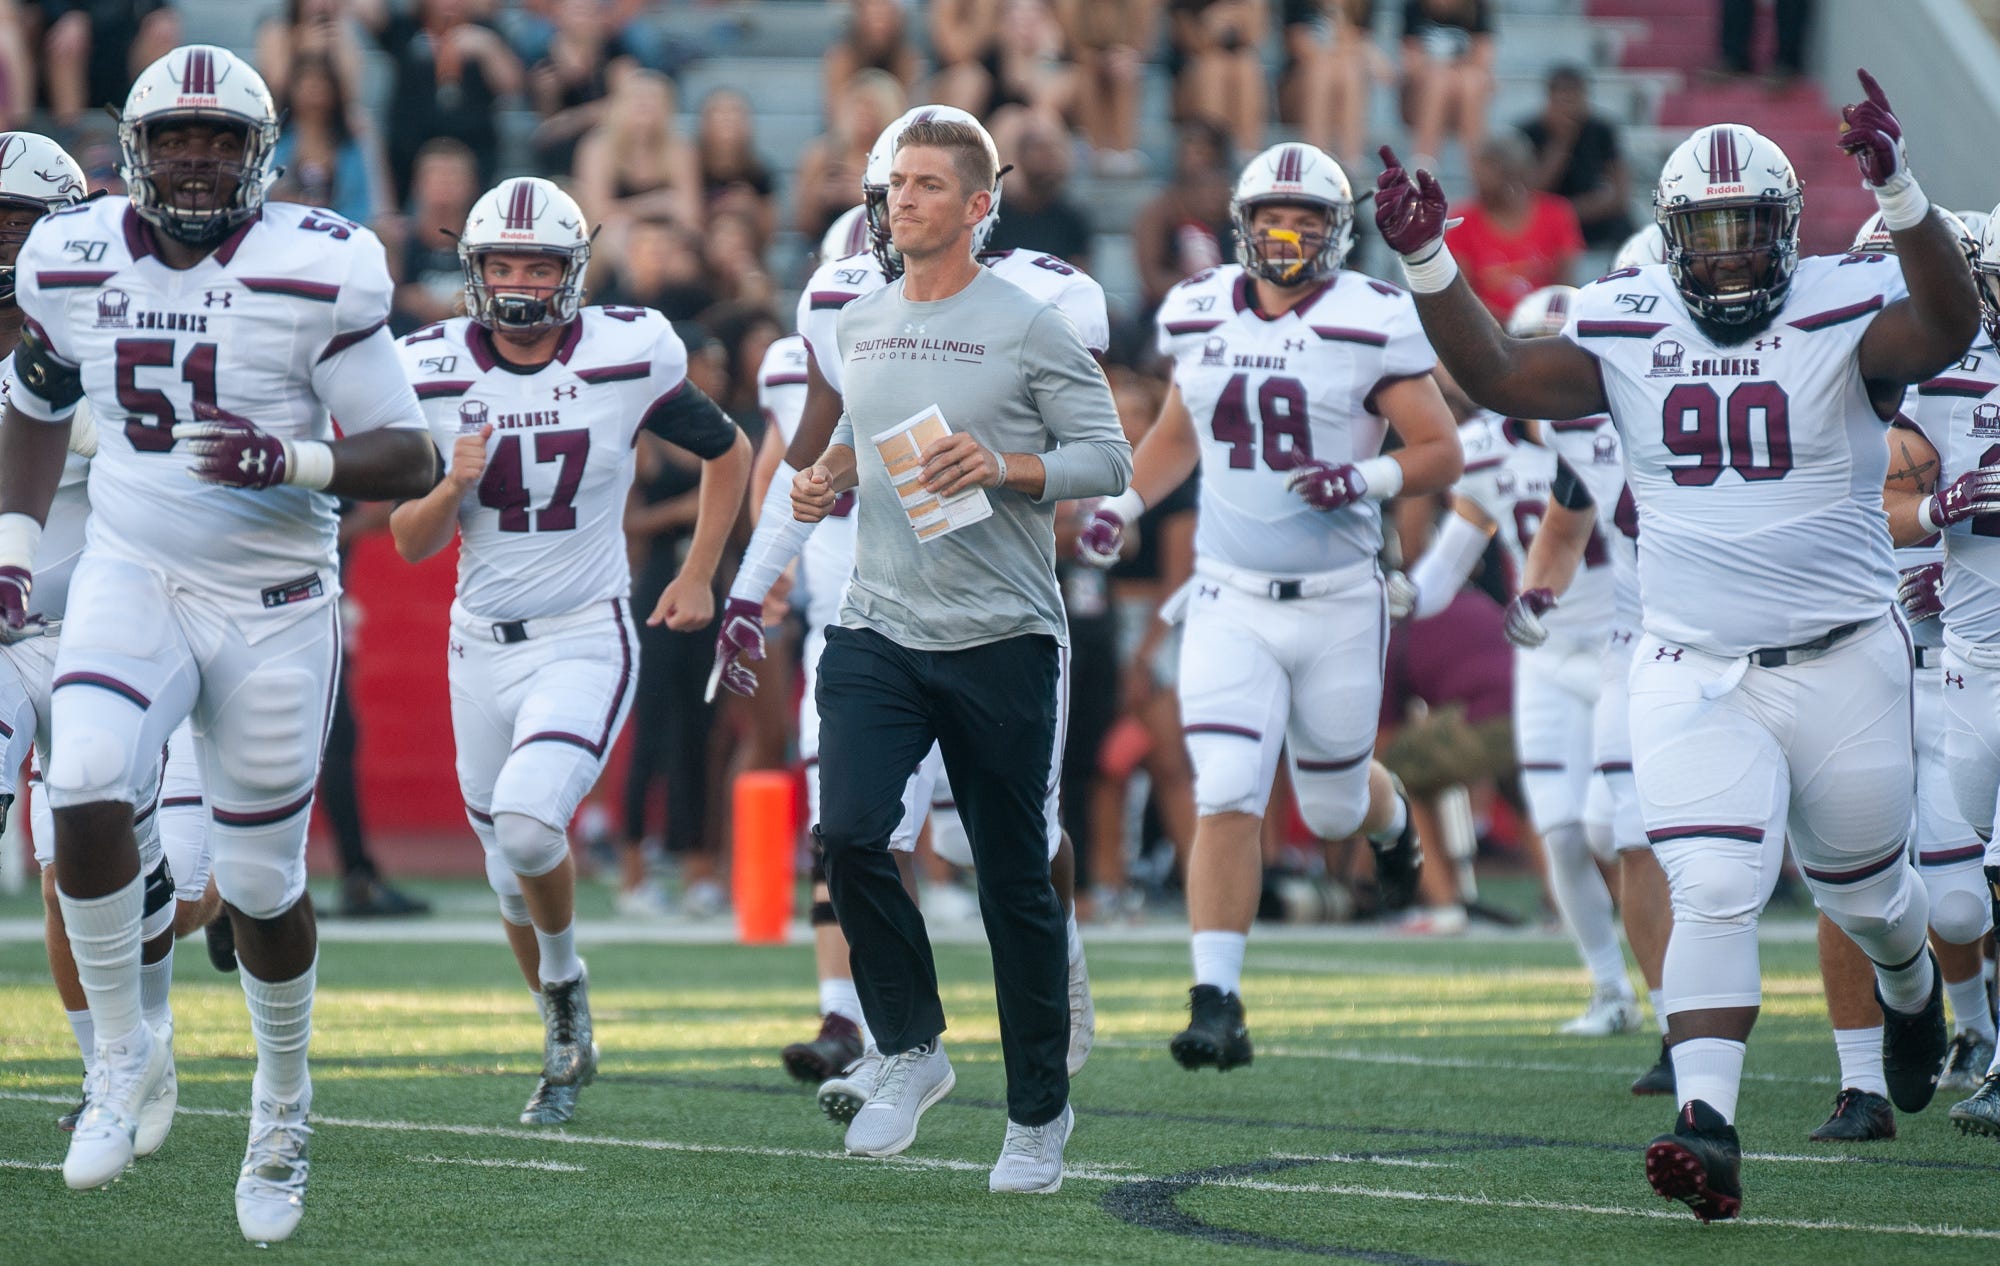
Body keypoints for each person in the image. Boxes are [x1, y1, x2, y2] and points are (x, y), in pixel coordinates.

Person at [1371, 69, 1978, 1218]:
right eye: (1706, 234)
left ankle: (1909, 991)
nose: (1731, 258)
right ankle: (1706, 1124)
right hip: (1690, 664)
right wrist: (1425, 264)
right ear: (1668, 236)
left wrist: (1897, 188)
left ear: (1786, 234)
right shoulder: (1623, 319)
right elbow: (1498, 376)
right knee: (1710, 886)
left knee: (1871, 898)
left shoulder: (1840, 305)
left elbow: (1945, 322)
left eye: (1749, 232)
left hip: (1842, 655)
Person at [0, 46, 439, 1242]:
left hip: (274, 599)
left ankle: (283, 1100)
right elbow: (37, 396)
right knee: (82, 784)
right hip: (133, 573)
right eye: (177, 138)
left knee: (256, 887)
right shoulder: (71, 254)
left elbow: (411, 455)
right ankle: (121, 1057)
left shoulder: (319, 266)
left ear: (261, 154)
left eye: (221, 140)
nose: (197, 159)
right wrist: (16, 544)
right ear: (136, 154)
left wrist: (294, 459)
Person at [716, 107, 1111, 1118]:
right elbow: (807, 455)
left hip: (994, 606)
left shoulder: (1045, 301)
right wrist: (750, 584)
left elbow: (1093, 455)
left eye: (926, 185)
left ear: (977, 203)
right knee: (852, 827)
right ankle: (882, 1035)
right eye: (891, 187)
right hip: (873, 607)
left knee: (997, 847)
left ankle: (1055, 959)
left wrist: (1010, 469)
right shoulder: (840, 300)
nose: (900, 206)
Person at [1077, 140, 1456, 1071]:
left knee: (1331, 810)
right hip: (1227, 594)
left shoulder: (1374, 316)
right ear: (1243, 228)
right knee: (1229, 788)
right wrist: (1122, 505)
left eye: (1307, 221)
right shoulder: (1199, 308)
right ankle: (1218, 998)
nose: (1285, 238)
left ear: (1338, 232)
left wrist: (1363, 476)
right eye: (1270, 221)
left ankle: (1390, 815)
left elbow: (1440, 450)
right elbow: (1179, 432)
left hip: (1334, 600)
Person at [390, 176, 749, 1125]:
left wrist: (701, 571)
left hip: (586, 633)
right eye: (501, 263)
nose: (516, 281)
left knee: (527, 823)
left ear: (572, 272)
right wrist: (447, 485)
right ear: (472, 270)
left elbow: (730, 451)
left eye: (536, 264)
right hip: (477, 644)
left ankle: (562, 986)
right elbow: (411, 541)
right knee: (509, 869)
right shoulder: (423, 365)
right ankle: (560, 1015)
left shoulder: (628, 352)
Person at [1395, 287, 1641, 1038]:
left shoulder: (1630, 432)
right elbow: (1445, 568)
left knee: (1612, 830)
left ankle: (1671, 988)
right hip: (1542, 657)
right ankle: (1609, 988)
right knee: (1562, 832)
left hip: (1623, 646)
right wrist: (1387, 597)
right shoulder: (1487, 451)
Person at [1872, 206, 2000, 1138]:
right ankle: (1972, 1030)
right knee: (1962, 894)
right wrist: (1933, 519)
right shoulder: (1938, 371)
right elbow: (1884, 501)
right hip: (1971, 651)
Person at [1450, 130, 1583, 322]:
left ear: (1512, 175)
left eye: (1485, 174)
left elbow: (1565, 287)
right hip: (1486, 331)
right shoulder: (1461, 220)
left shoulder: (1557, 214)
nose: (1476, 181)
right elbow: (1463, 297)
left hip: (1546, 328)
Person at [1518, 66, 1633, 250]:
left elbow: (1620, 195)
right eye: (1562, 101)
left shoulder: (1602, 130)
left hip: (1594, 214)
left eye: (1575, 100)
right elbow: (1531, 192)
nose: (1569, 109)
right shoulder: (1528, 132)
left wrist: (1567, 212)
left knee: (1626, 227)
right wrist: (1561, 143)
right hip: (1547, 219)